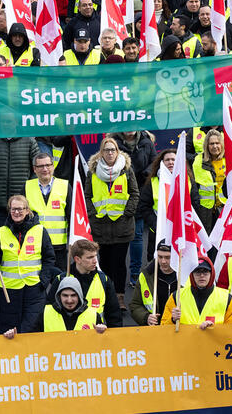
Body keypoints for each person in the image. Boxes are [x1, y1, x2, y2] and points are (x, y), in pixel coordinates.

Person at [0, 194, 54, 334]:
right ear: (9, 210)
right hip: (8, 290)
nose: (17, 212)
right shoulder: (1, 232)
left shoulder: (40, 230)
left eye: (20, 209)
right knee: (8, 331)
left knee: (32, 329)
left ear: (27, 210)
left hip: (34, 288)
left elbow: (49, 259)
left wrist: (43, 282)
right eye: (13, 209)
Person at [86, 136, 138, 297]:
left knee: (119, 264)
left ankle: (120, 295)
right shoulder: (92, 172)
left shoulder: (127, 170)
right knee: (104, 263)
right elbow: (87, 196)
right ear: (101, 153)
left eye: (113, 150)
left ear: (117, 151)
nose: (110, 153)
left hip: (122, 226)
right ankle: (107, 296)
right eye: (106, 150)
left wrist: (127, 213)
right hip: (100, 226)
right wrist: (93, 214)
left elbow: (134, 194)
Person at [24, 152, 71, 271]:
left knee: (60, 282)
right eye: (40, 166)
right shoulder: (26, 187)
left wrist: (72, 242)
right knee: (38, 284)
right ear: (34, 169)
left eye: (48, 165)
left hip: (59, 247)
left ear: (53, 166)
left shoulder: (65, 186)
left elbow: (72, 216)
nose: (45, 169)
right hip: (35, 245)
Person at [62, 239, 123, 325]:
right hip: (69, 335)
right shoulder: (62, 280)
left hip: (95, 334)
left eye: (95, 256)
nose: (95, 261)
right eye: (90, 257)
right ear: (77, 259)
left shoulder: (104, 280)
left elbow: (114, 315)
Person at [163, 258, 232, 327]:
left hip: (213, 341)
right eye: (198, 272)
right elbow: (163, 329)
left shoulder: (227, 298)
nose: (202, 275)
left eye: (205, 272)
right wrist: (172, 320)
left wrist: (214, 329)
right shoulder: (176, 296)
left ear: (211, 274)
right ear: (192, 274)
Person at [30, 276, 107, 333]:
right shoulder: (45, 313)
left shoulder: (93, 315)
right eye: (65, 295)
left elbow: (103, 346)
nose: (69, 300)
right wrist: (18, 338)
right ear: (59, 296)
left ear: (79, 296)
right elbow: (31, 340)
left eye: (73, 295)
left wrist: (102, 332)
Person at [129, 242, 178, 326]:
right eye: (160, 257)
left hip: (180, 329)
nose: (163, 261)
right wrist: (146, 317)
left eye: (167, 257)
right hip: (155, 329)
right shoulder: (146, 276)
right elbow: (135, 305)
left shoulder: (186, 277)